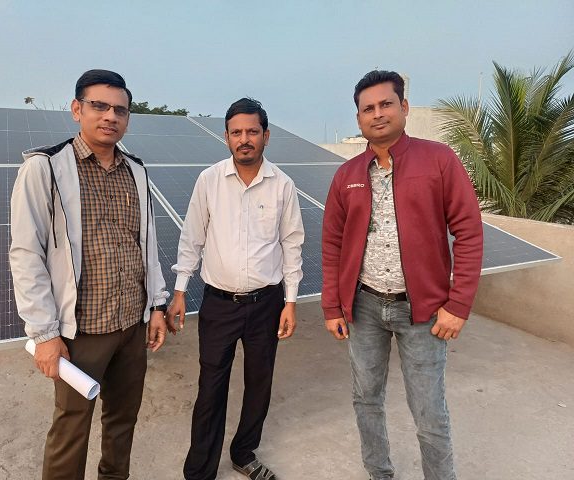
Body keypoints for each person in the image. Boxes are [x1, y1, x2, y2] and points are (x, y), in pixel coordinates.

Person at [321, 70, 483, 480]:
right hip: (364, 306)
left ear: (404, 107)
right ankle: (379, 474)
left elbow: (468, 231)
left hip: (423, 312)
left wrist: (458, 304)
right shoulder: (347, 175)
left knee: (429, 413)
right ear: (358, 118)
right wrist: (332, 307)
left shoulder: (439, 160)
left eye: (385, 104)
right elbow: (332, 244)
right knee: (366, 400)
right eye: (367, 108)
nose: (377, 114)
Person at [9, 69, 169, 480]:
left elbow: (146, 245)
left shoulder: (136, 171)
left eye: (120, 110)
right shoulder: (45, 168)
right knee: (71, 428)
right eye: (99, 106)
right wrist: (44, 334)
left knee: (123, 420)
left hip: (131, 325)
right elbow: (26, 254)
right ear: (77, 109)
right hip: (80, 332)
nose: (110, 116)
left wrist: (156, 306)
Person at [166, 98, 304, 480]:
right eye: (237, 132)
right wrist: (180, 291)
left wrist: (291, 301)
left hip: (266, 304)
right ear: (226, 137)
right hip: (219, 305)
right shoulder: (209, 181)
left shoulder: (282, 185)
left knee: (259, 384)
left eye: (252, 131)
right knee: (211, 387)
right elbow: (191, 238)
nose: (245, 139)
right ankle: (200, 471)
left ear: (266, 136)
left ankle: (244, 453)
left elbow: (292, 244)